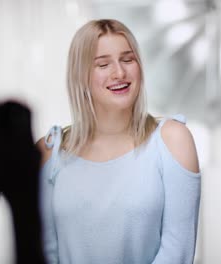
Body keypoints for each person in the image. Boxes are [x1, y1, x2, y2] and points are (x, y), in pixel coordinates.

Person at [37, 19, 201, 264]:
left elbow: (177, 251)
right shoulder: (50, 151)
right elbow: (43, 251)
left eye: (127, 59)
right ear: (80, 76)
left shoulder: (172, 140)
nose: (120, 73)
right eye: (103, 64)